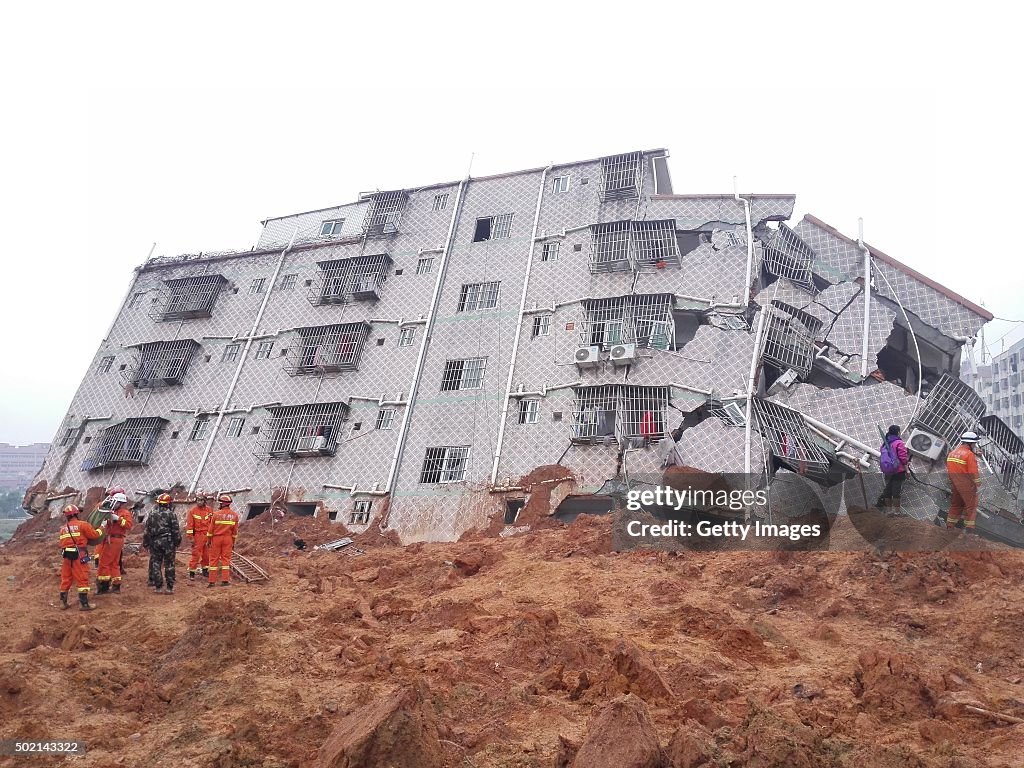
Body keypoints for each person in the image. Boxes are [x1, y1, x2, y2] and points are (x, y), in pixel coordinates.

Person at [58, 505, 101, 611]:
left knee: (66, 578)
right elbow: (94, 536)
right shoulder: (83, 525)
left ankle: (63, 603)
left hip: (66, 556)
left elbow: (62, 543)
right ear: (76, 514)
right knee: (82, 578)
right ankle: (84, 604)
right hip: (79, 556)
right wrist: (101, 528)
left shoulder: (63, 528)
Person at [944, 431, 982, 535]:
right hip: (967, 486)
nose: (975, 445)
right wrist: (978, 485)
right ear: (970, 443)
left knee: (956, 505)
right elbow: (973, 472)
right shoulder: (969, 455)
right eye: (974, 443)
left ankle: (949, 527)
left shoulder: (952, 453)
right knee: (971, 507)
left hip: (955, 485)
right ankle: (969, 531)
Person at [144, 493, 182, 593]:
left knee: (156, 563)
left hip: (155, 542)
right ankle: (169, 588)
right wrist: (177, 542)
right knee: (169, 564)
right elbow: (175, 530)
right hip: (168, 543)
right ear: (168, 503)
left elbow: (147, 530)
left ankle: (158, 587)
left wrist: (146, 542)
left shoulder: (152, 513)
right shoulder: (171, 514)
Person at [97, 492, 133, 594]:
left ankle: (103, 586)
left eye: (115, 502)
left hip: (115, 539)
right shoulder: (111, 511)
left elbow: (128, 525)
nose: (113, 503)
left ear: (120, 503)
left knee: (104, 563)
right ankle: (116, 586)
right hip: (111, 539)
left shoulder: (124, 513)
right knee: (114, 564)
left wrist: (117, 519)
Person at [876, 425, 910, 516]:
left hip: (888, 471)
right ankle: (897, 512)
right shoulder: (899, 443)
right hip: (898, 471)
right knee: (896, 491)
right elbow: (903, 458)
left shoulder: (885, 443)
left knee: (887, 490)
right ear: (898, 432)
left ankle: (889, 511)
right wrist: (907, 470)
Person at [207, 493, 239, 587]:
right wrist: (233, 543)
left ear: (223, 504)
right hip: (228, 539)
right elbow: (235, 532)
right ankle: (225, 581)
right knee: (226, 560)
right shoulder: (235, 515)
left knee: (213, 560)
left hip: (216, 539)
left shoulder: (216, 514)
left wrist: (209, 541)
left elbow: (210, 530)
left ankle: (212, 582)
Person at [185, 492, 213, 581]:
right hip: (198, 536)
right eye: (197, 500)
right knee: (196, 555)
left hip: (207, 535)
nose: (199, 502)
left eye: (201, 500)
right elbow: (189, 526)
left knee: (207, 555)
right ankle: (192, 573)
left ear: (204, 501)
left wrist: (212, 536)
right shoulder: (192, 511)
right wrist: (191, 538)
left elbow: (212, 523)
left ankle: (205, 571)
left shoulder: (209, 510)